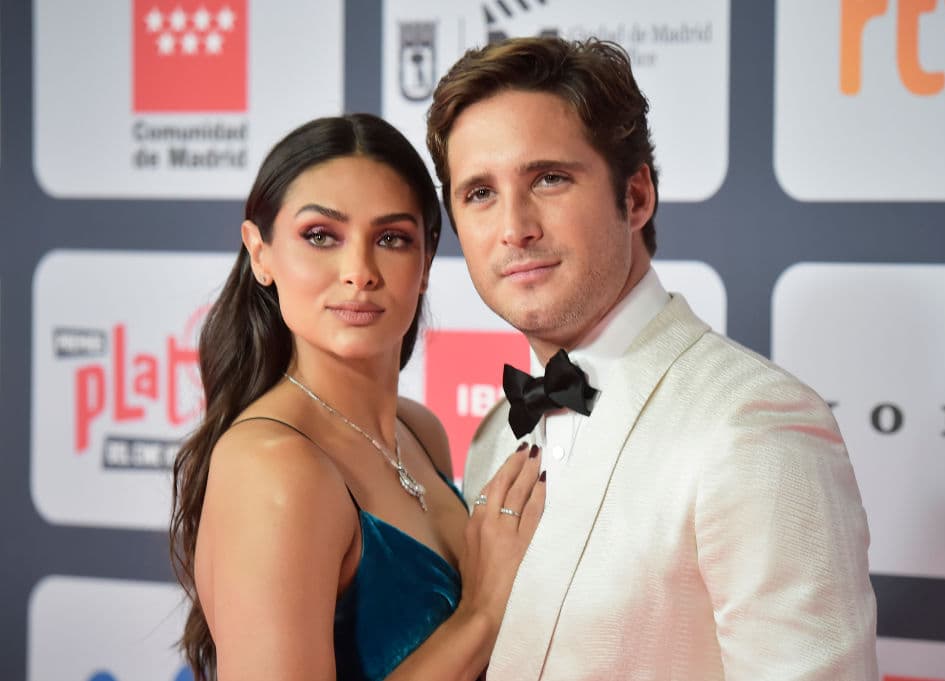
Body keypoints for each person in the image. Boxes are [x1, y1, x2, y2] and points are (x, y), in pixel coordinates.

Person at [426, 37, 878, 679]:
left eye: (548, 178)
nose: (513, 227)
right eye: (479, 193)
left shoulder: (755, 424)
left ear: (635, 197)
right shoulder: (496, 431)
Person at [169, 114, 545, 681]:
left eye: (391, 238)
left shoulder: (420, 431)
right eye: (321, 236)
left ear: (425, 260)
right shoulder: (274, 464)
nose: (359, 272)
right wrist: (483, 614)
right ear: (260, 252)